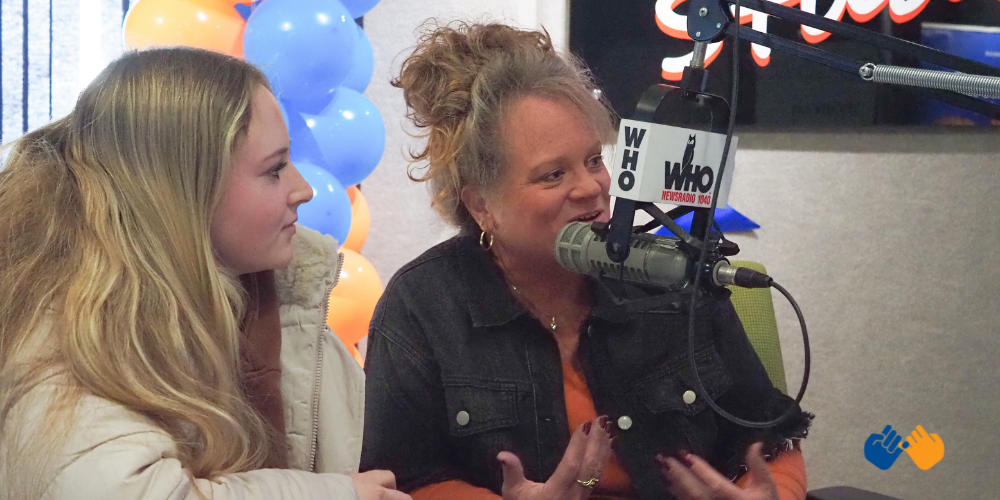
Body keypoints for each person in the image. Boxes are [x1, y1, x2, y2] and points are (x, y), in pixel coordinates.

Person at [360, 22, 812, 500]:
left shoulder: (673, 276)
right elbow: (406, 478)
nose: (591, 188)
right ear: (481, 206)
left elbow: (770, 436)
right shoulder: (422, 306)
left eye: (594, 160)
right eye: (553, 174)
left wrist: (772, 494)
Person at [0, 48, 408, 500]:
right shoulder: (64, 334)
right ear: (186, 191)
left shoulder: (286, 309)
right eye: (275, 170)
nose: (305, 189)